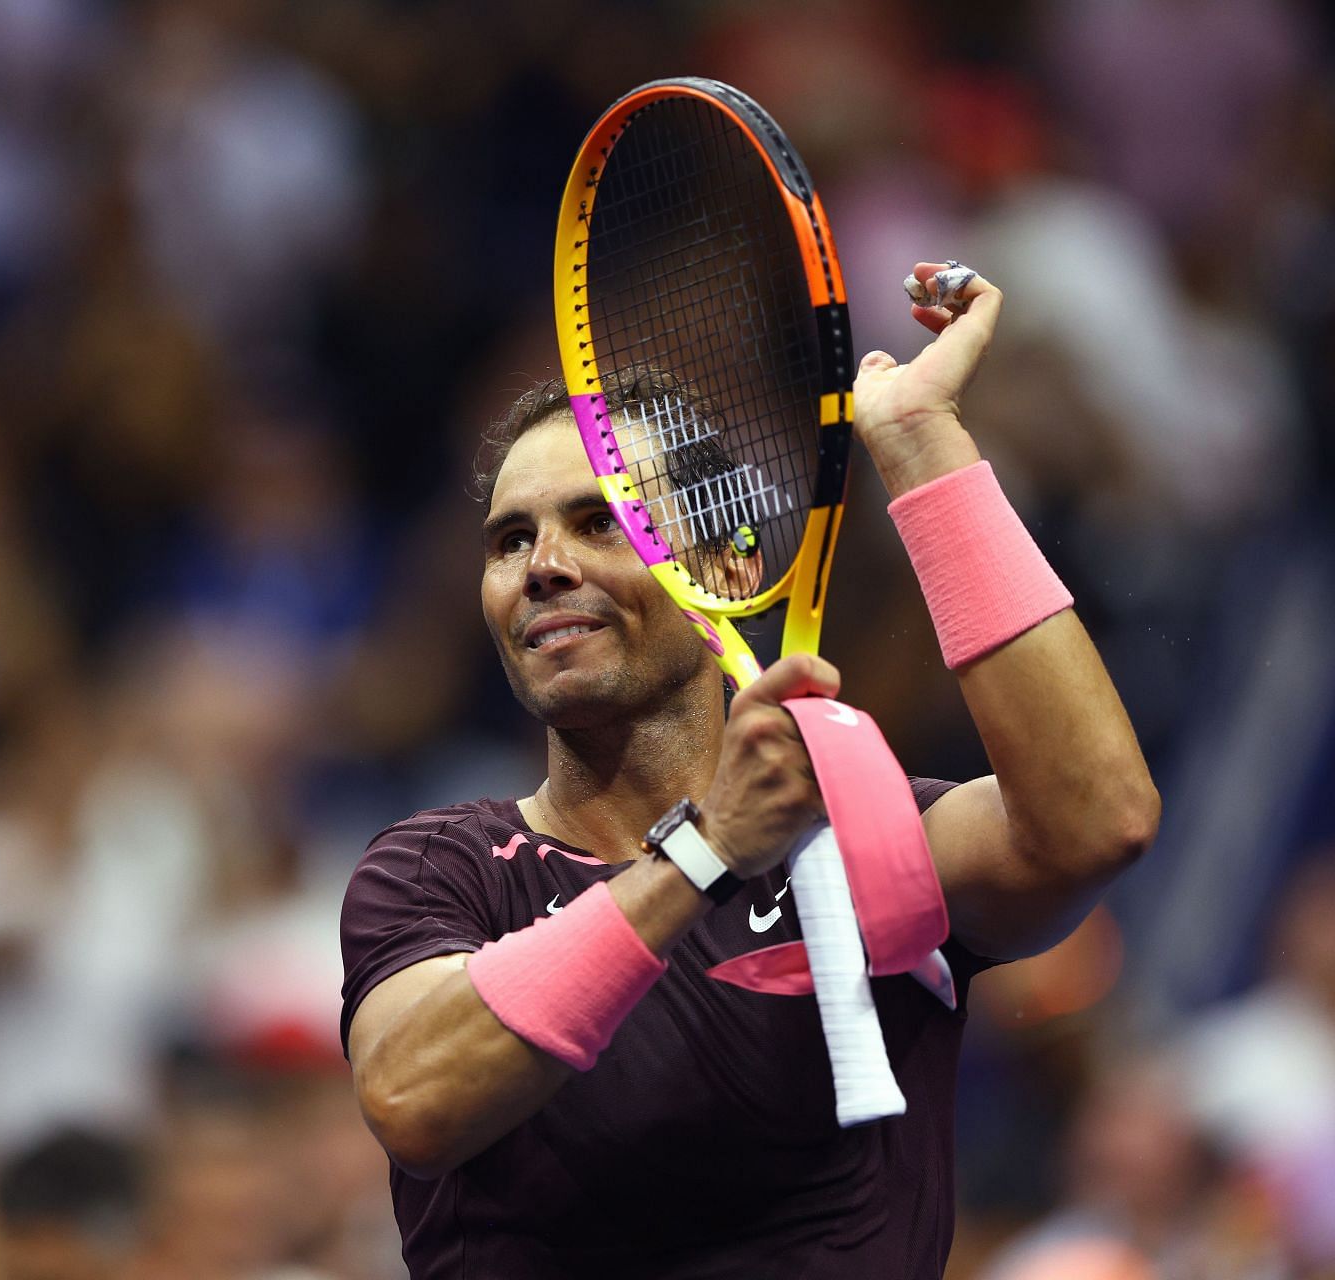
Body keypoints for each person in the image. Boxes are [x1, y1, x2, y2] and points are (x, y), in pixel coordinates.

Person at [338, 263, 1160, 1277]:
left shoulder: (864, 838)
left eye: (600, 521)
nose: (542, 563)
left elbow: (1097, 818)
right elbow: (415, 1099)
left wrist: (920, 444)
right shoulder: (440, 868)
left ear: (728, 567)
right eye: (512, 539)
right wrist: (708, 848)